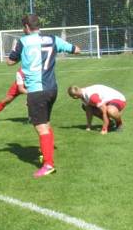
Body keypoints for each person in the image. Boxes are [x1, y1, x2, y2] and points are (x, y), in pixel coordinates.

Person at [7, 15, 80, 178]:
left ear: (26, 27)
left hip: (36, 90)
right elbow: (76, 50)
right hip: (52, 88)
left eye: (23, 27)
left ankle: (48, 164)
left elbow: (10, 62)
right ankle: (46, 154)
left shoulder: (23, 42)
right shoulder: (53, 39)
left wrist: (19, 55)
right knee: (46, 123)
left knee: (40, 127)